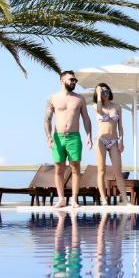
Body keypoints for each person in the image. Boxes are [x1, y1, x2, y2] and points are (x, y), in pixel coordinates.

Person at [43, 71, 92, 208]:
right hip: (58, 137)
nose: (74, 82)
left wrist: (88, 134)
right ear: (62, 80)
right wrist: (48, 137)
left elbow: (86, 118)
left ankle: (74, 199)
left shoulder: (79, 99)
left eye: (75, 80)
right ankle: (61, 199)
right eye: (71, 79)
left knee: (75, 168)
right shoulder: (53, 98)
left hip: (74, 137)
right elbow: (47, 119)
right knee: (59, 168)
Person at [93, 82, 130, 205]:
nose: (105, 93)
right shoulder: (96, 106)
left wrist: (122, 141)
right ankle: (103, 199)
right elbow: (99, 110)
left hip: (114, 140)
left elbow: (120, 126)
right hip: (101, 140)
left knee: (117, 172)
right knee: (101, 170)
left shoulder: (117, 107)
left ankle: (125, 199)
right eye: (103, 91)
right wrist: (98, 94)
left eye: (107, 90)